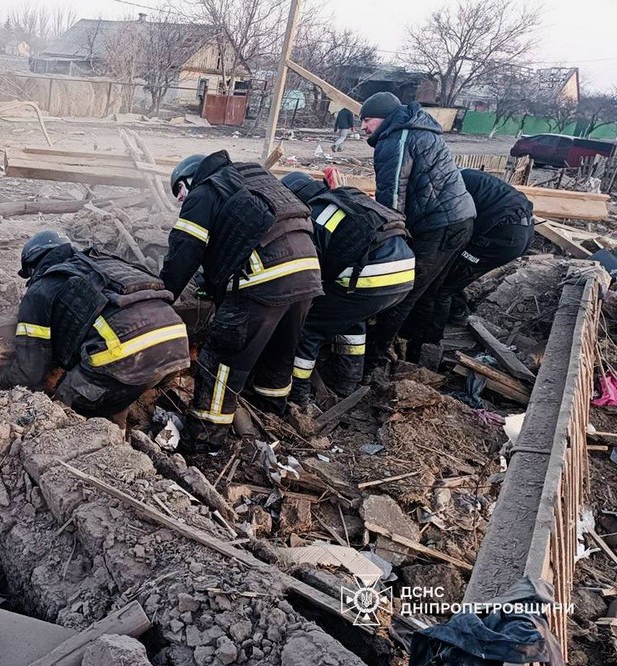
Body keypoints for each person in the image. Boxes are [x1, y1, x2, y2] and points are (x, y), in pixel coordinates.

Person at [162, 151, 322, 451]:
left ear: (190, 179)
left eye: (179, 192)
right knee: (279, 351)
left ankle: (207, 435)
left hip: (264, 276)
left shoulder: (204, 190)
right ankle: (270, 414)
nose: (181, 201)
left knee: (222, 356)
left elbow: (184, 251)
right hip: (307, 273)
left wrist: (163, 297)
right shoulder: (255, 178)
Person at [0, 231, 190, 424]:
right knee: (117, 393)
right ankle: (118, 434)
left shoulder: (42, 288)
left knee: (62, 411)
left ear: (33, 265)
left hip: (124, 356)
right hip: (177, 347)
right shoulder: (106, 263)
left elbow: (31, 368)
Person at [358, 92, 476, 368]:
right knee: (429, 289)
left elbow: (392, 192)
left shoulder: (396, 139)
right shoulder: (420, 130)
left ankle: (373, 356)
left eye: (367, 120)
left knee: (403, 288)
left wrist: (389, 239)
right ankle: (418, 349)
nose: (363, 126)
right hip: (461, 219)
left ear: (384, 118)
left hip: (437, 226)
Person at [281, 172, 414, 405]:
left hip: (372, 275)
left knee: (309, 326)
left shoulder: (315, 216)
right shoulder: (346, 198)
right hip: (405, 271)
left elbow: (309, 271)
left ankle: (297, 392)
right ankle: (347, 380)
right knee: (349, 315)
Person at [436, 169, 534, 328]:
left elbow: (450, 223)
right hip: (523, 231)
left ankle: (432, 339)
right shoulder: (467, 176)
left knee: (443, 285)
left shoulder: (454, 185)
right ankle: (459, 311)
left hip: (502, 236)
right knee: (458, 273)